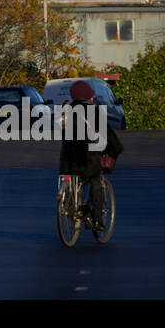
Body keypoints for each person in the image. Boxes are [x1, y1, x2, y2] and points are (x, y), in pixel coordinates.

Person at [57, 80, 123, 226]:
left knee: (76, 178)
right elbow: (107, 134)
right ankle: (97, 219)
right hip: (86, 158)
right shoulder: (92, 111)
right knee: (95, 179)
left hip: (67, 159)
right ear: (89, 97)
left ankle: (72, 204)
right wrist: (116, 148)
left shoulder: (66, 110)